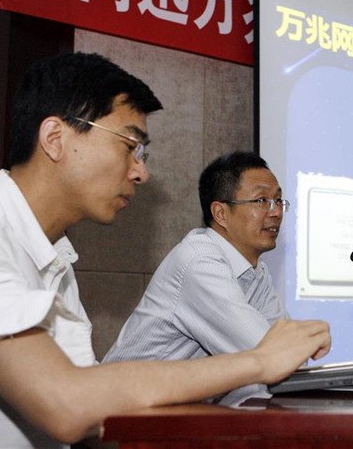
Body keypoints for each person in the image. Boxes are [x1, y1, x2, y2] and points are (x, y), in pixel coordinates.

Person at [0, 52, 330, 447]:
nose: (141, 172)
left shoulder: (56, 258)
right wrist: (259, 361)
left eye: (142, 154)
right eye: (129, 146)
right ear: (55, 138)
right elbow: (68, 404)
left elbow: (95, 408)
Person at [104, 152, 289, 368]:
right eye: (261, 201)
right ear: (221, 214)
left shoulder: (257, 273)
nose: (276, 212)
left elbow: (288, 352)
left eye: (278, 201)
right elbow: (267, 354)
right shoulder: (199, 262)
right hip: (126, 390)